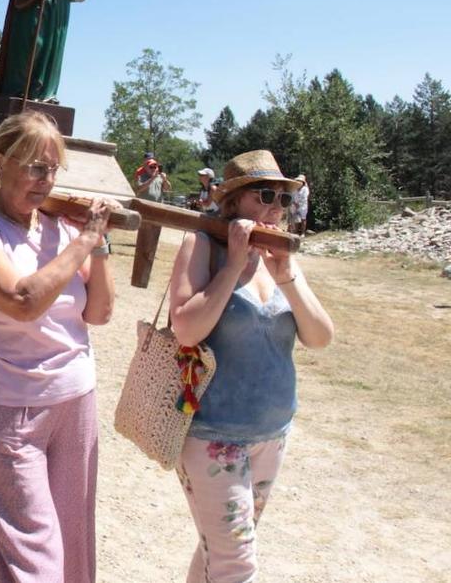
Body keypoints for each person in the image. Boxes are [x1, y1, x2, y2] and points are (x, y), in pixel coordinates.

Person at [0, 111, 115, 582]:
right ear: (0, 161)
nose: (45, 181)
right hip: (7, 407)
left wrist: (97, 245)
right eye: (35, 167)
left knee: (73, 540)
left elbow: (99, 313)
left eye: (53, 169)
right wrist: (85, 239)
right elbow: (22, 301)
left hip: (74, 399)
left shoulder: (59, 230)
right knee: (34, 552)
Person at [166, 149, 334, 583]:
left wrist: (287, 276)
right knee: (236, 563)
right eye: (265, 195)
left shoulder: (281, 260)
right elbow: (185, 328)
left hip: (272, 434)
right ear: (235, 200)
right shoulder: (201, 245)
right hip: (212, 434)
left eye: (284, 199)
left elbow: (319, 337)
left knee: (219, 551)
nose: (276, 208)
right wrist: (234, 266)